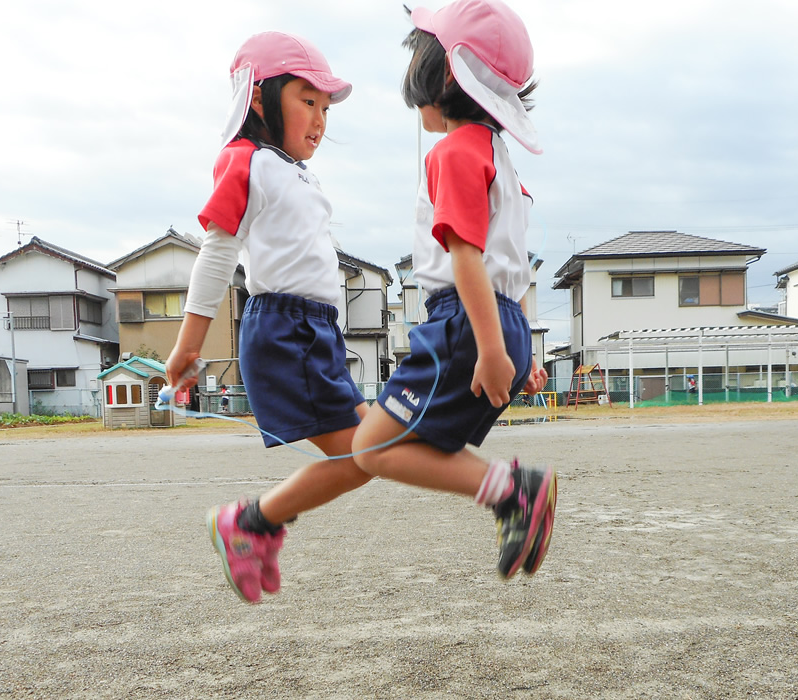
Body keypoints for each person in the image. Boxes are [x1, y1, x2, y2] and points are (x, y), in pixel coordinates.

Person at [350, 0, 555, 580]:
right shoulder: (498, 156)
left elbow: (466, 256)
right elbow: (507, 267)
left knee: (372, 448)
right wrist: (519, 351)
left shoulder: (454, 151)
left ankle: (513, 492)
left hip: (464, 324)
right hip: (500, 320)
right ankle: (512, 493)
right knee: (427, 444)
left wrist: (492, 350)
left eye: (419, 53)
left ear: (443, 73)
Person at [165, 32, 369, 604]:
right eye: (308, 101)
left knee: (370, 451)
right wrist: (188, 344)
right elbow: (217, 253)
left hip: (317, 332)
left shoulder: (297, 172)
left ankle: (257, 524)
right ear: (259, 99)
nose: (320, 120)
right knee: (364, 454)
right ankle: (252, 522)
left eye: (325, 108)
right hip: (286, 330)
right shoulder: (245, 160)